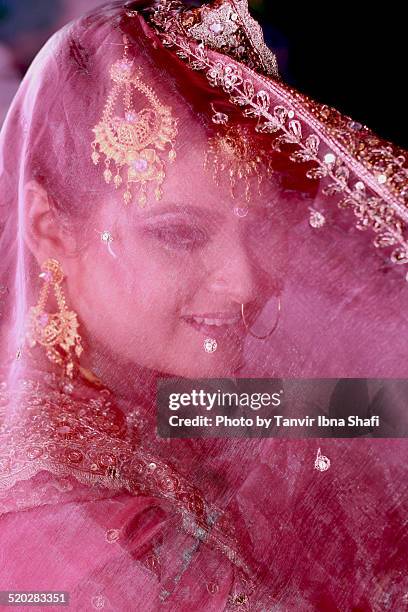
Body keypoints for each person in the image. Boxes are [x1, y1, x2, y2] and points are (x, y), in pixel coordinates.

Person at [0, 1, 407, 609]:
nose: (245, 283)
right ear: (51, 229)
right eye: (180, 235)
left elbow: (360, 408)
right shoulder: (74, 539)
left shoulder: (156, 389)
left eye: (265, 226)